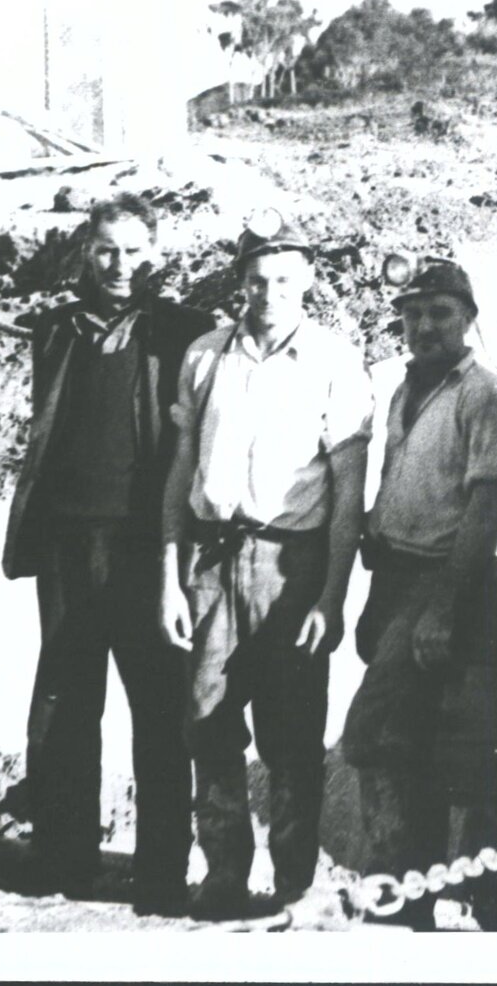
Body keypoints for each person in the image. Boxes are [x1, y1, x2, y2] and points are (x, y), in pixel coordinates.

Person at [0, 193, 215, 915]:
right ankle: (62, 857)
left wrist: (176, 553)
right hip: (66, 541)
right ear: (85, 252)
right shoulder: (56, 330)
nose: (120, 265)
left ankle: (158, 871)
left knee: (156, 707)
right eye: (105, 250)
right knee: (63, 700)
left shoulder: (183, 330)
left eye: (132, 249)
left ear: (154, 249)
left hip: (146, 546)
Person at [159, 212, 373, 921]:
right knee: (206, 720)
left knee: (290, 732)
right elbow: (179, 472)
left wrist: (330, 598)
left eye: (284, 277)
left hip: (292, 564)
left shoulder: (336, 361)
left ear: (308, 279)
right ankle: (223, 874)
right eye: (256, 278)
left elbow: (348, 496)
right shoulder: (204, 355)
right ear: (239, 281)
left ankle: (292, 884)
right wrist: (171, 576)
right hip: (212, 559)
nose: (269, 291)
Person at [337, 259, 497, 930]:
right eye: (413, 314)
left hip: (438, 581)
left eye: (439, 313)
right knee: (406, 744)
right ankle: (404, 903)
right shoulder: (403, 390)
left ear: (468, 319)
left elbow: (488, 503)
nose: (424, 326)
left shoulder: (485, 395)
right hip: (390, 579)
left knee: (374, 734)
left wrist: (444, 605)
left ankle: (386, 890)